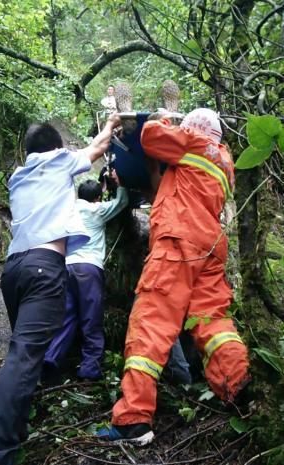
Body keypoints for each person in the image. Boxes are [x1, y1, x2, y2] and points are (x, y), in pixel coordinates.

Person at [99, 108, 250, 446]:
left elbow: (150, 136)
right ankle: (239, 388)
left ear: (193, 128)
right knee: (212, 321)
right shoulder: (224, 160)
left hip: (178, 242)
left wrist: (158, 116)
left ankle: (133, 420)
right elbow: (174, 188)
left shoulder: (192, 142)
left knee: (151, 320)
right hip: (209, 247)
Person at [0, 116, 120, 465]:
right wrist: (111, 123)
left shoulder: (18, 176)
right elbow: (99, 147)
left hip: (14, 270)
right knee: (24, 359)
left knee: (21, 355)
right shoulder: (58, 161)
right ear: (57, 148)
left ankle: (9, 434)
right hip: (44, 266)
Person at [43, 171, 129, 380]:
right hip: (88, 268)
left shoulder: (69, 211)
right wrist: (120, 182)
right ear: (97, 198)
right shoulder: (96, 210)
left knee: (67, 316)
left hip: (66, 267)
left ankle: (50, 359)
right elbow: (122, 201)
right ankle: (89, 368)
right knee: (91, 317)